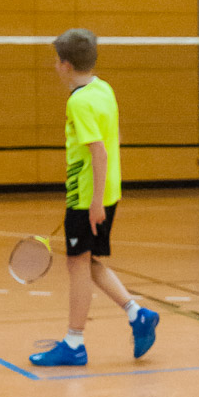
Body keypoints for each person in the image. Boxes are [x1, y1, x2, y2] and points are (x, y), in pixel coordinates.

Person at [29, 29, 159, 368]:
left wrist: (94, 202)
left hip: (89, 197)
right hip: (107, 190)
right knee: (83, 261)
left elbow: (98, 152)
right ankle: (137, 314)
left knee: (77, 265)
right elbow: (113, 138)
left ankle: (74, 343)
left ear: (66, 65)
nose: (55, 66)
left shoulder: (79, 102)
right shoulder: (103, 88)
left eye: (56, 61)